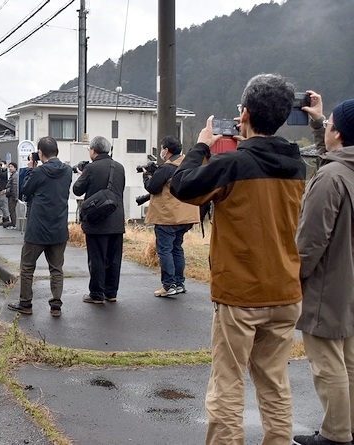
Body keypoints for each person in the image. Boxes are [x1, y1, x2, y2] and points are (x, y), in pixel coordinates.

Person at [170, 73, 306, 444]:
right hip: (286, 291)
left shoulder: (232, 165)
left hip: (241, 294)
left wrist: (200, 146)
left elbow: (183, 185)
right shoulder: (297, 166)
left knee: (228, 385)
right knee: (275, 383)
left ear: (243, 114)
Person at [292, 94, 354, 445]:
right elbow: (334, 156)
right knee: (349, 361)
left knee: (327, 364)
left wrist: (292, 277)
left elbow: (310, 242)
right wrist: (317, 123)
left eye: (330, 125)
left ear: (340, 134)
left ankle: (335, 435)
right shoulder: (344, 170)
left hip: (327, 286)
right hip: (351, 281)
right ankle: (349, 428)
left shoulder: (329, 179)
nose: (326, 128)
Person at [7, 136, 72, 317]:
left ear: (40, 153)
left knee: (28, 266)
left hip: (37, 228)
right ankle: (56, 306)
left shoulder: (38, 172)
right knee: (56, 268)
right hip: (59, 228)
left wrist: (28, 170)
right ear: (57, 152)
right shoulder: (67, 171)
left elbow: (24, 191)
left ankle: (25, 303)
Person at [142, 135, 200, 297]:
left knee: (165, 249)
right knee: (176, 248)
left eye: (162, 148)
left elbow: (153, 187)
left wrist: (146, 176)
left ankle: (168, 285)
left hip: (168, 216)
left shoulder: (167, 168)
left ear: (166, 150)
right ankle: (179, 282)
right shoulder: (188, 165)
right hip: (186, 215)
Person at [73, 136, 126, 304]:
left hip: (97, 220)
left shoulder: (91, 168)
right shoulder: (120, 168)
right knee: (114, 258)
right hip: (116, 219)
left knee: (97, 257)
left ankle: (96, 293)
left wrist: (82, 175)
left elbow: (77, 190)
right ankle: (111, 292)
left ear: (93, 150)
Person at [4, 162, 19, 229]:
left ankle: (14, 224)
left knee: (12, 210)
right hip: (11, 194)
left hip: (12, 195)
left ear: (15, 168)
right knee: (11, 210)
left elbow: (15, 186)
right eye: (9, 167)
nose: (10, 168)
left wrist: (15, 196)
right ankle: (13, 223)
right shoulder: (13, 175)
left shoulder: (15, 175)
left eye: (11, 167)